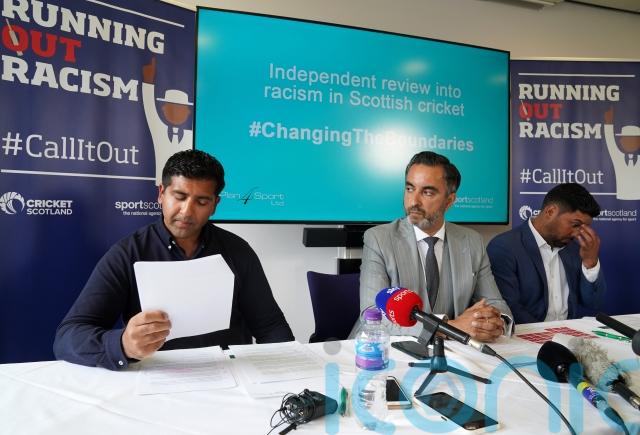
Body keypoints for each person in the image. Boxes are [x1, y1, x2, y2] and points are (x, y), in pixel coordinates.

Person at [54, 150, 294, 370]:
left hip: (233, 374)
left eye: (201, 202)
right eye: (179, 196)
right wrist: (123, 344)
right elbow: (67, 338)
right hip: (157, 377)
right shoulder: (128, 253)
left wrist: (287, 373)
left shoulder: (237, 251)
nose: (187, 211)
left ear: (215, 205)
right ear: (161, 194)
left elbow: (270, 326)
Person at [358, 151, 512, 341]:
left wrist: (493, 323)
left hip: (454, 351)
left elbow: (496, 304)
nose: (413, 201)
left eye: (427, 192)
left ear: (449, 200)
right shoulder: (378, 239)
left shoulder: (472, 241)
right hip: (385, 349)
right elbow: (373, 315)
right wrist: (451, 327)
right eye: (409, 188)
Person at [487, 183, 606, 324]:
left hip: (567, 332)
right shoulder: (504, 247)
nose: (577, 234)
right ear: (550, 212)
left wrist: (590, 262)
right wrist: (548, 333)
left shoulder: (575, 249)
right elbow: (508, 308)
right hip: (525, 334)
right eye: (575, 225)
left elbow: (593, 302)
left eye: (583, 228)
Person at [142, 57, 193, 185]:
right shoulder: (159, 129)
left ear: (188, 112)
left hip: (186, 188)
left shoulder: (192, 134)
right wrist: (148, 81)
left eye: (181, 108)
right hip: (160, 187)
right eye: (171, 107)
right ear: (163, 108)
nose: (176, 111)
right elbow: (149, 108)